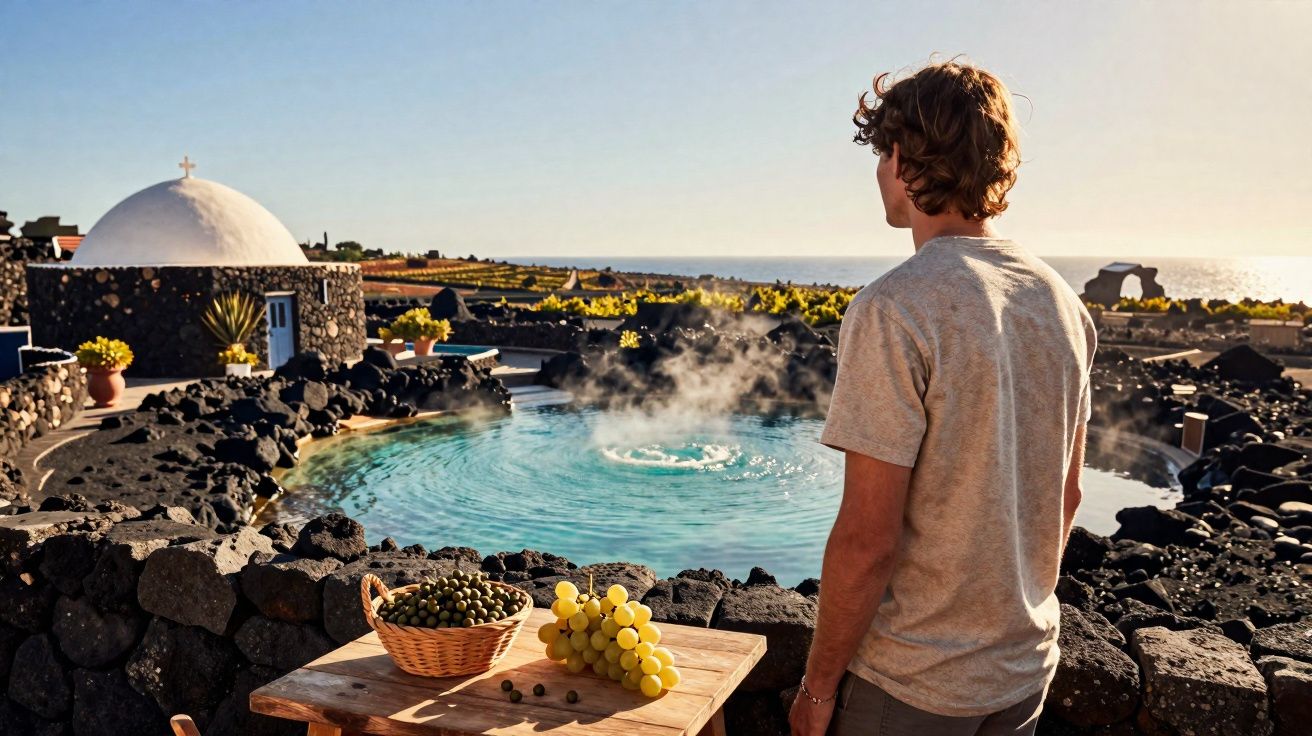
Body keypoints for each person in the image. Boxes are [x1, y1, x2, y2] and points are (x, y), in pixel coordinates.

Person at [788, 59, 1096, 736]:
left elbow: (868, 540)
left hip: (912, 686)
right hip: (1022, 672)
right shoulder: (1061, 305)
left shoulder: (895, 308)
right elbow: (1067, 496)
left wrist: (817, 689)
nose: (879, 172)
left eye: (881, 155)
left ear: (902, 159)